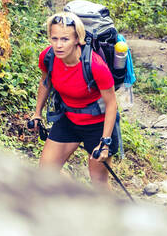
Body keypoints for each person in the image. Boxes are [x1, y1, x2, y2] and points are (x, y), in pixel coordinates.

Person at [32, 12, 119, 190]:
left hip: (98, 125)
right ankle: (76, 196)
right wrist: (37, 113)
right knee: (46, 172)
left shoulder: (95, 65)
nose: (58, 45)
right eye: (54, 38)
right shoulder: (48, 57)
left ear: (77, 39)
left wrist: (105, 141)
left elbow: (111, 104)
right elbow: (45, 82)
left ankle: (110, 216)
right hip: (68, 119)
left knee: (99, 183)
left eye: (65, 39)